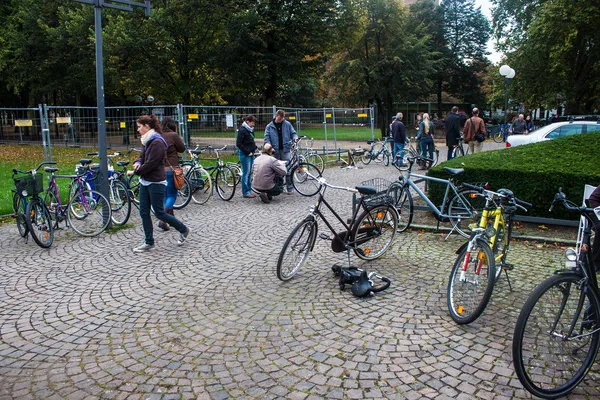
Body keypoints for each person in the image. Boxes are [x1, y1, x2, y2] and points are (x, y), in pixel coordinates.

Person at [130, 114, 189, 252]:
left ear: (147, 126)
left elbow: (152, 163)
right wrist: (137, 163)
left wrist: (136, 171)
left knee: (159, 213)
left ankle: (183, 229)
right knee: (144, 212)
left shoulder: (157, 141)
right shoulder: (147, 140)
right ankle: (149, 242)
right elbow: (141, 156)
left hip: (156, 181)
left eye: (139, 127)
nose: (137, 130)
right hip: (146, 181)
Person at [157, 116, 186, 232]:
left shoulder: (158, 135)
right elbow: (182, 148)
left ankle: (170, 220)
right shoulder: (173, 135)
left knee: (165, 195)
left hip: (160, 170)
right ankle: (163, 218)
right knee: (172, 195)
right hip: (171, 169)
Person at [264, 110, 298, 194]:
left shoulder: (287, 124)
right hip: (275, 151)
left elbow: (293, 133)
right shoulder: (269, 126)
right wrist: (269, 147)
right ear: (276, 116)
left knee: (288, 168)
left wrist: (295, 138)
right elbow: (266, 138)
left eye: (282, 118)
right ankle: (279, 187)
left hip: (285, 149)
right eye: (279, 118)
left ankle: (290, 187)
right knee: (277, 170)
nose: (281, 120)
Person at [236, 115, 258, 199]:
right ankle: (245, 192)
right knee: (246, 173)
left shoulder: (250, 130)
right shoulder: (242, 130)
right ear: (248, 122)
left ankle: (249, 190)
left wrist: (254, 147)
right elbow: (239, 144)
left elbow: (250, 140)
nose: (253, 124)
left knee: (249, 172)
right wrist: (247, 151)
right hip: (245, 154)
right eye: (252, 123)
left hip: (251, 153)